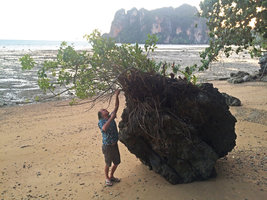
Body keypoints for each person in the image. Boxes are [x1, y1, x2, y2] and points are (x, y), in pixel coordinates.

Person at [98, 90, 121, 186]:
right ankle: (107, 178)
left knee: (117, 162)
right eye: (103, 110)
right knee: (108, 163)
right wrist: (111, 118)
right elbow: (104, 128)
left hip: (114, 144)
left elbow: (116, 106)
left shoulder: (110, 116)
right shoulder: (101, 122)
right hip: (107, 146)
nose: (105, 109)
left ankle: (111, 176)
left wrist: (116, 95)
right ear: (101, 115)